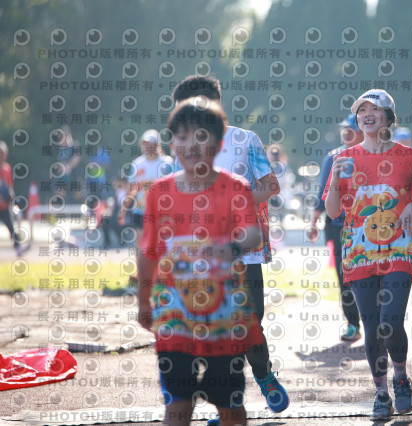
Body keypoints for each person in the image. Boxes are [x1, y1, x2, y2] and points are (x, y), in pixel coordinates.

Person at [138, 99, 262, 426]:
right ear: (171, 144)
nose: (191, 145)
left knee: (229, 405)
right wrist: (143, 301)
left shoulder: (235, 188)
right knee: (178, 403)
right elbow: (148, 251)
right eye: (182, 137)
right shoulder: (159, 192)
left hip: (225, 317)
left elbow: (253, 234)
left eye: (201, 136)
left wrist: (230, 246)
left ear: (218, 145)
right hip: (174, 314)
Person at [171, 75, 288, 414]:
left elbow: (270, 185)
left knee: (250, 323)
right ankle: (229, 405)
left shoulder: (245, 139)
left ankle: (264, 375)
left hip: (244, 249)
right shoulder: (182, 147)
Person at [324, 89, 412, 421]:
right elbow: (332, 211)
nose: (367, 114)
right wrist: (335, 179)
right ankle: (381, 393)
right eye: (362, 110)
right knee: (372, 327)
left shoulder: (409, 156)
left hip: (399, 249)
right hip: (359, 252)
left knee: (390, 322)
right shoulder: (344, 158)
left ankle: (400, 377)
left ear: (388, 117)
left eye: (375, 109)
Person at [308, 113, 364, 341]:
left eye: (351, 129)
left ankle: (376, 323)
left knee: (370, 275)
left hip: (367, 228)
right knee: (345, 278)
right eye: (344, 129)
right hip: (338, 226)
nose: (346, 133)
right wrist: (313, 223)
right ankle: (353, 324)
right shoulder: (333, 158)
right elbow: (322, 194)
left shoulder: (373, 156)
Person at [118, 129, 173, 284]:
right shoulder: (137, 164)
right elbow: (132, 190)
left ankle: (162, 274)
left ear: (158, 145)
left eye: (151, 144)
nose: (148, 147)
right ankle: (141, 274)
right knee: (140, 242)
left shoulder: (167, 164)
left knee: (162, 243)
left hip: (162, 212)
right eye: (145, 144)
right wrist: (123, 210)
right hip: (140, 210)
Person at [0, 141, 28, 256]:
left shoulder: (7, 168)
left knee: (11, 228)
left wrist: (10, 198)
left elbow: (10, 186)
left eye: (2, 153)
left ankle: (18, 247)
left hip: (4, 205)